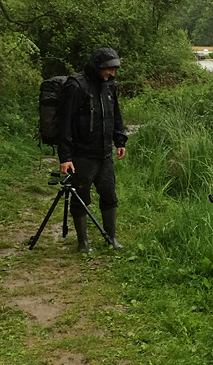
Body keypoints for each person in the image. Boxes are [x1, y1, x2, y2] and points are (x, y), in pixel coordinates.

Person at [58, 47, 127, 253]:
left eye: (114, 70)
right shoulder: (76, 85)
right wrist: (65, 157)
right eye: (109, 69)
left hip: (105, 154)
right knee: (81, 197)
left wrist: (120, 140)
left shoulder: (109, 86)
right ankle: (83, 243)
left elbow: (116, 115)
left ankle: (111, 237)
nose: (112, 74)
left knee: (109, 195)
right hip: (81, 155)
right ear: (98, 66)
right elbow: (65, 124)